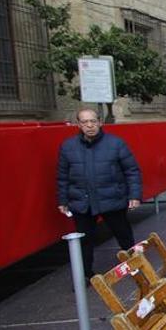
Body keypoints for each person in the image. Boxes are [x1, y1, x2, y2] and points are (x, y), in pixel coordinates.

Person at [57, 108, 142, 278]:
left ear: (99, 122)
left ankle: (136, 268)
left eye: (93, 121)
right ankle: (85, 276)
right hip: (82, 202)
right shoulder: (68, 147)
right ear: (78, 125)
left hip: (112, 199)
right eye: (85, 122)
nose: (90, 125)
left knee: (124, 235)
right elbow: (62, 176)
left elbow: (132, 171)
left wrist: (134, 195)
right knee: (84, 242)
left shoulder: (116, 143)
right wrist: (62, 200)